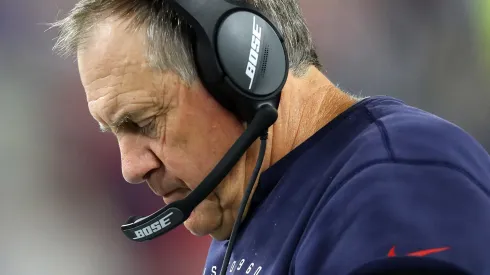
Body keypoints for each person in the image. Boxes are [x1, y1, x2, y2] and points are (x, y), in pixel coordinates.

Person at [51, 0, 490, 274]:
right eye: (113, 133)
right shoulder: (255, 207)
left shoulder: (399, 190)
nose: (131, 168)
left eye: (143, 122)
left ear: (242, 68)